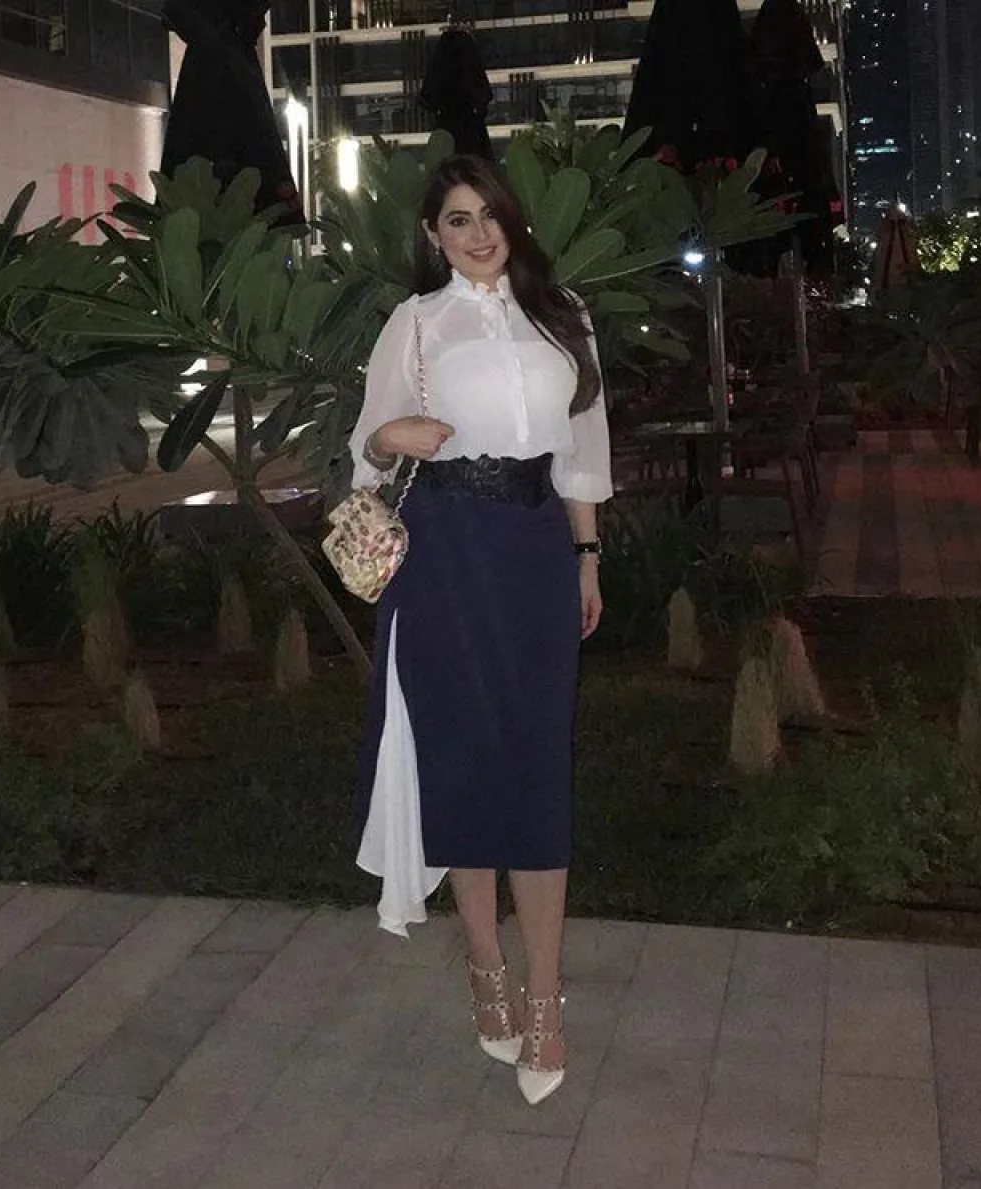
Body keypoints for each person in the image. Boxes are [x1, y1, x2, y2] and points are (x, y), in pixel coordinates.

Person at [348, 154, 612, 1106]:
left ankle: (544, 996)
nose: (478, 232)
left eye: (489, 213)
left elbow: (585, 448)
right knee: (463, 759)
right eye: (457, 219)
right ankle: (485, 970)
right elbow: (364, 446)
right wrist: (391, 437)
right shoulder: (416, 323)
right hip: (446, 554)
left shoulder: (563, 316)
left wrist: (587, 556)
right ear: (433, 235)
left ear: (512, 220)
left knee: (536, 764)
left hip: (536, 548)